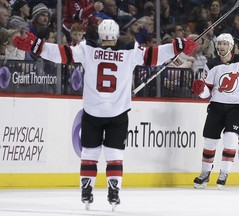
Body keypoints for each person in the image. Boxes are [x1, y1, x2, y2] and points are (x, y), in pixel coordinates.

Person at [13, 19, 197, 210]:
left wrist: (37, 46)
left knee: (89, 153)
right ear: (116, 34)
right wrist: (178, 46)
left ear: (100, 35)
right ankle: (114, 191)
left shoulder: (88, 48)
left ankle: (86, 190)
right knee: (114, 153)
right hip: (118, 113)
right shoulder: (129, 49)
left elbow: (62, 54)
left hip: (92, 112)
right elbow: (154, 55)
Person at [191, 33, 239, 189]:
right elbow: (206, 92)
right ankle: (205, 173)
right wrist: (200, 91)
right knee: (210, 141)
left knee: (231, 139)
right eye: (220, 43)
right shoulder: (212, 64)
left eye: (224, 43)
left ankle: (224, 173)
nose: (221, 46)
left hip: (236, 108)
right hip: (216, 106)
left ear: (231, 46)